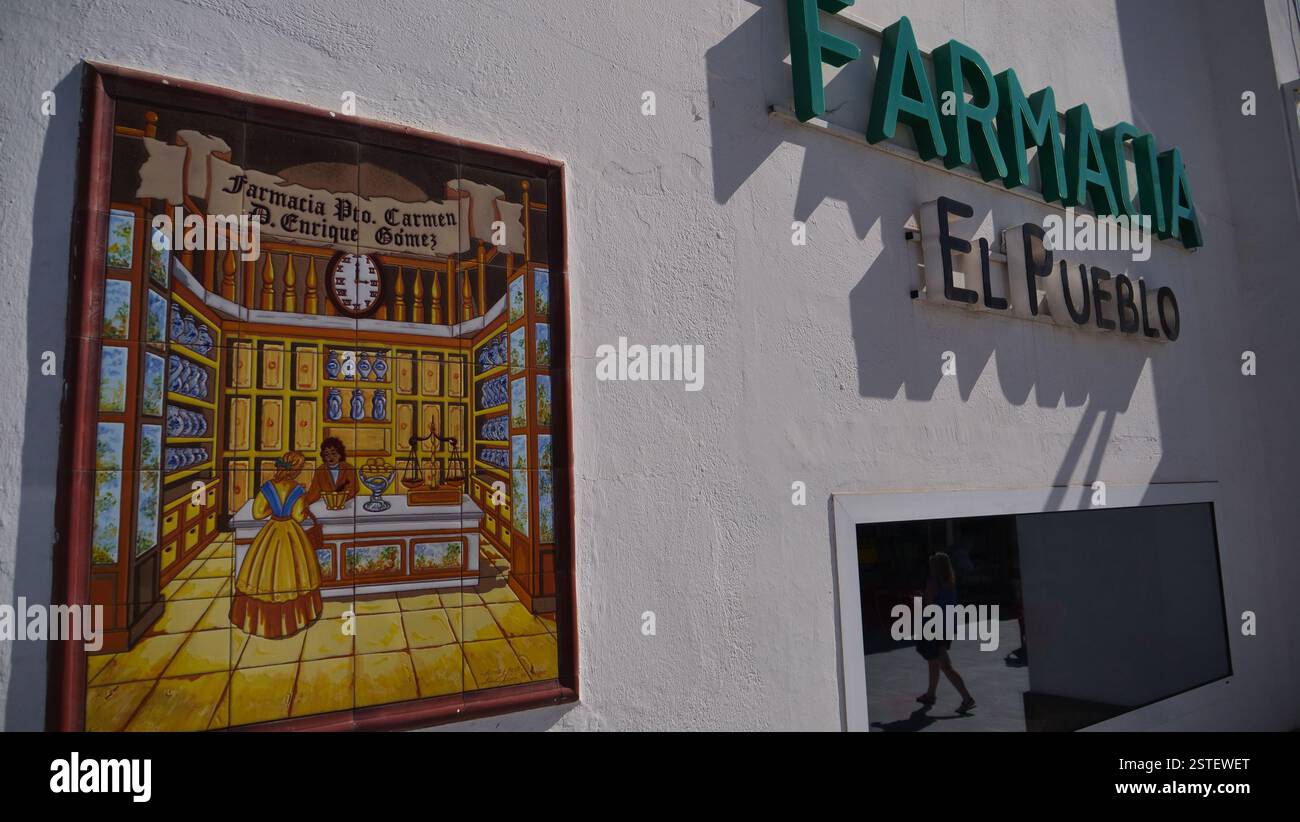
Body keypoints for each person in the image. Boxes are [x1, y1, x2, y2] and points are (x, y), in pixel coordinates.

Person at [230, 451, 322, 639]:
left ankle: (263, 623)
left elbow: (257, 513)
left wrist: (274, 508)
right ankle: (295, 620)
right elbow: (298, 516)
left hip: (271, 530)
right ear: (296, 470)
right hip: (291, 531)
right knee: (295, 571)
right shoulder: (297, 489)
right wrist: (303, 510)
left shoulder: (268, 487)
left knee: (263, 570)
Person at [915, 551, 976, 713]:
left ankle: (967, 698)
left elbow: (929, 603)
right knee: (933, 661)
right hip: (946, 625)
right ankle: (930, 694)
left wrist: (922, 596)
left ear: (935, 567)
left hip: (935, 627)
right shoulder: (950, 581)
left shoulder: (934, 581)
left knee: (945, 665)